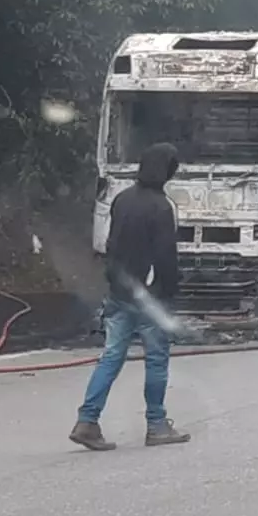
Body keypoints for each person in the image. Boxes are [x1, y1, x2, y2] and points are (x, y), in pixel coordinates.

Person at [69, 143, 190, 451]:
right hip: (149, 296)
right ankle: (157, 424)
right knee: (156, 358)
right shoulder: (162, 206)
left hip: (119, 292)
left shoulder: (121, 199)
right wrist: (170, 290)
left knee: (111, 356)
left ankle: (87, 421)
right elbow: (166, 256)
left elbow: (112, 246)